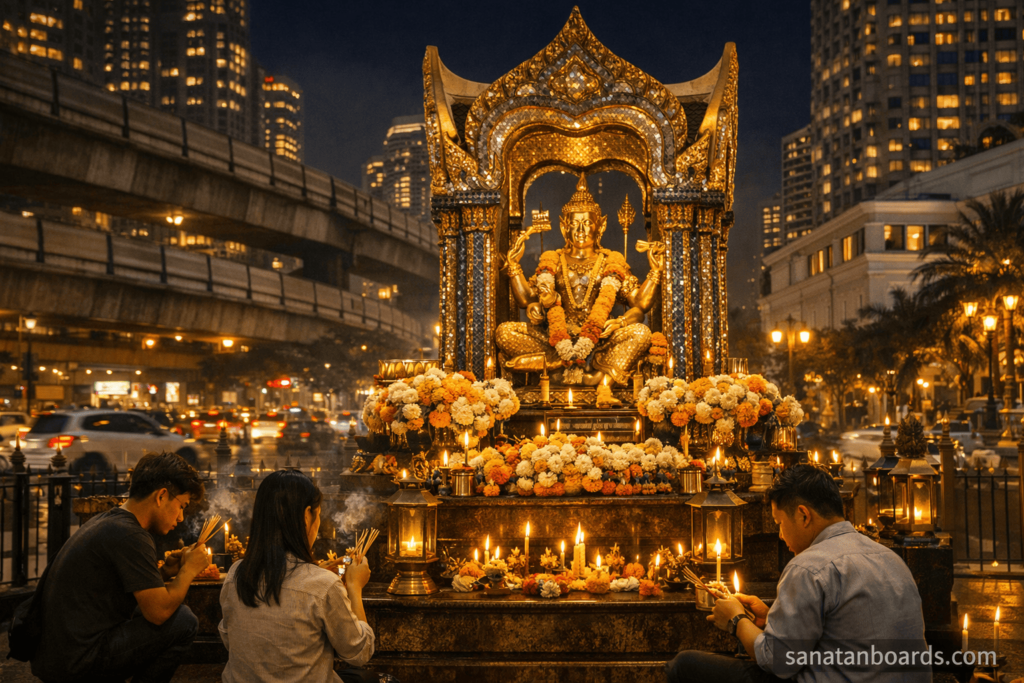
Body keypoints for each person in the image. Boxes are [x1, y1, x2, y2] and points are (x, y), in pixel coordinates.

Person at [666, 464, 928, 683]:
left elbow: (778, 660)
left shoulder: (809, 566)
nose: (780, 535)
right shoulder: (890, 558)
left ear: (803, 515)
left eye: (780, 523)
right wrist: (771, 620)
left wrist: (736, 620)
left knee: (685, 665)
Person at [32, 451, 208, 683]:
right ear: (162, 496)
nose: (181, 517)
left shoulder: (110, 521)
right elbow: (158, 613)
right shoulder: (130, 535)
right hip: (77, 663)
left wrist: (165, 572)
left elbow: (122, 588)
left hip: (56, 657)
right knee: (183, 621)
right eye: (182, 506)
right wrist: (189, 570)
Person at [218, 470, 377, 683]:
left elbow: (230, 639)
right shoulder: (323, 585)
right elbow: (359, 652)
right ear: (306, 515)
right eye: (318, 514)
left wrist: (317, 569)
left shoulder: (236, 573)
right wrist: (354, 587)